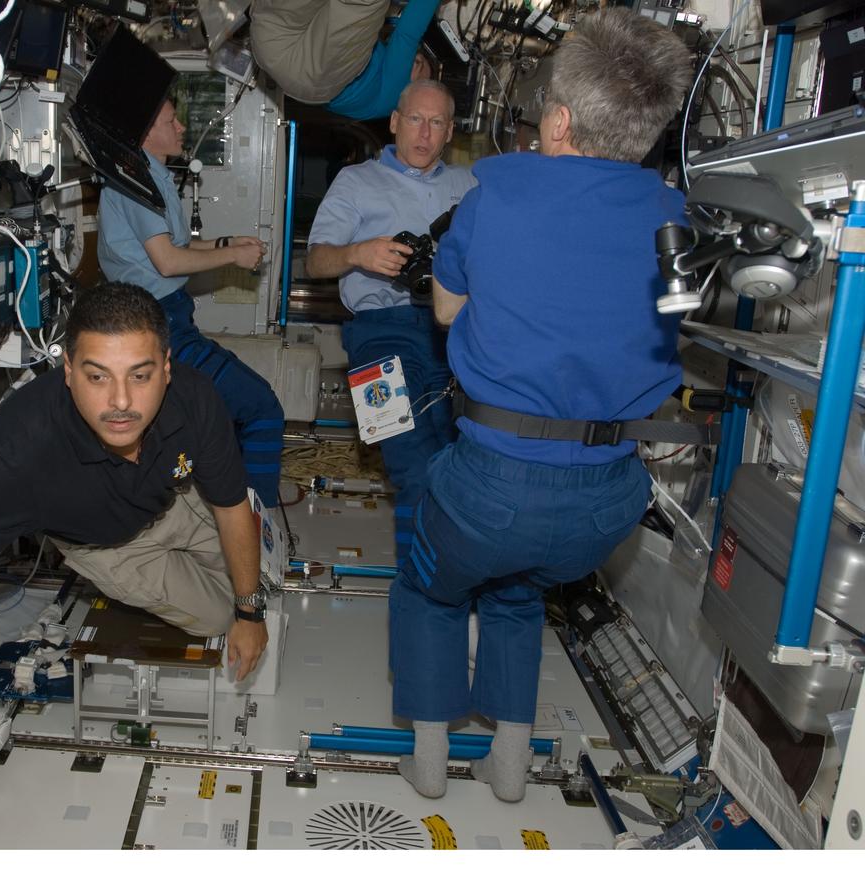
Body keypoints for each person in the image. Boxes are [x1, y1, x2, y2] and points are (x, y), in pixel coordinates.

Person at [391, 9, 692, 802]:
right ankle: (511, 766)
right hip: (608, 509)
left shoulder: (497, 199)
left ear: (557, 121)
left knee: (431, 580)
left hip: (493, 488)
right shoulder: (674, 220)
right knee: (518, 588)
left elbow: (449, 311)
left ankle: (427, 761)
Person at [0, 282, 271, 760]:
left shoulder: (196, 399)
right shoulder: (21, 448)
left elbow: (230, 506)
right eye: (98, 377)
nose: (121, 402)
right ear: (69, 371)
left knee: (256, 581)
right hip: (108, 545)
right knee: (217, 619)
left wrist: (252, 611)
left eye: (140, 376)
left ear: (166, 370)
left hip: (174, 500)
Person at [305, 80, 474, 563]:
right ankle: (422, 586)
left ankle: (455, 573)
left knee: (461, 459)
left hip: (455, 332)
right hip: (377, 336)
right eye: (416, 119)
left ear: (449, 132)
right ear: (395, 122)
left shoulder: (468, 186)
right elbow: (315, 262)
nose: (424, 133)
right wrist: (360, 252)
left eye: (437, 122)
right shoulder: (356, 182)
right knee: (409, 462)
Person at [98, 98, 285, 507]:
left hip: (168, 319)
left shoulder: (150, 177)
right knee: (261, 409)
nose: (182, 127)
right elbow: (168, 262)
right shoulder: (133, 183)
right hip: (156, 328)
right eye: (171, 120)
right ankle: (256, 531)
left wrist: (225, 242)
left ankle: (233, 515)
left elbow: (174, 245)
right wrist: (234, 257)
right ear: (146, 133)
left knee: (225, 417)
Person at [249, 0, 441, 120]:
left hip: (311, 75)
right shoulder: (376, 99)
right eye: (419, 60)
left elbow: (407, 34)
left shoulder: (398, 96)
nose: (413, 62)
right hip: (274, 39)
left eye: (419, 69)